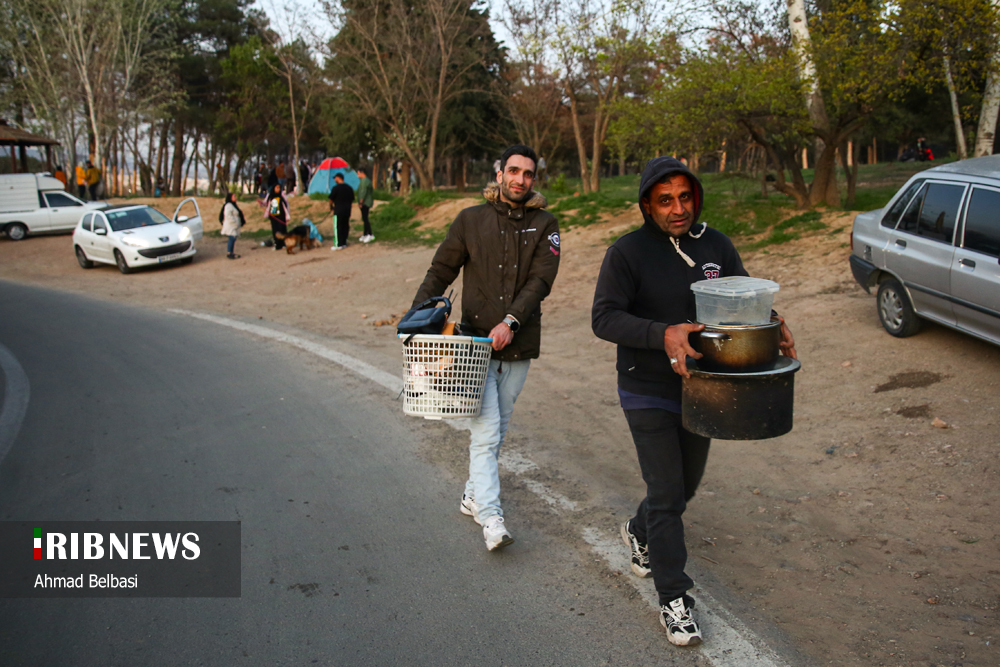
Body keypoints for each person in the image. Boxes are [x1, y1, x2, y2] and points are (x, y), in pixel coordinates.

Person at [591, 156, 796, 647]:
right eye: (665, 200)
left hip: (705, 389)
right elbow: (604, 318)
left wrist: (774, 320)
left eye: (685, 197)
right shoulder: (627, 253)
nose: (678, 209)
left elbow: (745, 297)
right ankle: (674, 598)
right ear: (647, 204)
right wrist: (664, 333)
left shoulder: (716, 245)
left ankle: (640, 532)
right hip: (646, 389)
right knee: (666, 492)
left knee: (683, 489)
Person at [409, 144, 560, 551]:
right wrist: (416, 319)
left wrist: (511, 321)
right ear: (499, 174)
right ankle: (491, 517)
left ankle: (472, 494)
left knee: (499, 428)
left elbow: (541, 281)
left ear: (533, 180)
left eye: (528, 174)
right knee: (488, 432)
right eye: (513, 171)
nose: (520, 180)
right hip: (472, 348)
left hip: (519, 343)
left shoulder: (546, 224)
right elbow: (441, 269)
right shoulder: (469, 220)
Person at [328, 173, 354, 251]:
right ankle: (344, 242)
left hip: (338, 210)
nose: (335, 180)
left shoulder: (335, 188)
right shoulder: (349, 188)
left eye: (335, 178)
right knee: (345, 225)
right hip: (347, 210)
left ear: (338, 178)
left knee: (338, 227)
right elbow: (352, 199)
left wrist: (331, 207)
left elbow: (330, 200)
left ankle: (338, 244)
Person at [220, 192, 246, 259]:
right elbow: (228, 215)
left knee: (233, 239)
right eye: (234, 196)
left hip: (234, 225)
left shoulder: (233, 205)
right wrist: (234, 223)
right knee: (232, 238)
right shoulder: (228, 205)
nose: (235, 198)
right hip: (230, 225)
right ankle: (229, 253)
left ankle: (231, 252)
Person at [266, 183, 290, 251]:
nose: (278, 189)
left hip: (281, 216)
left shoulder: (281, 197)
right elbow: (267, 205)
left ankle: (284, 243)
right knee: (275, 231)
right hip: (273, 217)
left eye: (279, 188)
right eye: (277, 188)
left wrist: (287, 216)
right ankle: (277, 244)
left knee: (282, 230)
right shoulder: (270, 196)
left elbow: (285, 207)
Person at [356, 167, 375, 243]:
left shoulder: (364, 181)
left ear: (362, 173)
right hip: (365, 202)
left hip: (365, 203)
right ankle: (365, 234)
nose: (357, 175)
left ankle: (370, 234)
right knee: (364, 218)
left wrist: (361, 202)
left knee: (365, 218)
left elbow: (363, 192)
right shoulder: (365, 181)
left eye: (358, 173)